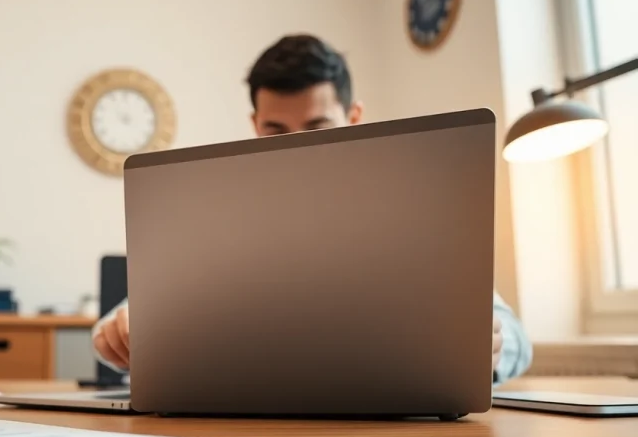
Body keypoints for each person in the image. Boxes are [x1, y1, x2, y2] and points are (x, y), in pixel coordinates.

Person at [92, 33, 534, 385]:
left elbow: (515, 338)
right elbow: (122, 323)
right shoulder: (220, 217)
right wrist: (117, 333)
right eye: (275, 129)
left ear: (354, 117)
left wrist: (490, 343)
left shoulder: (408, 213)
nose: (295, 146)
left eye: (317, 127)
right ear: (254, 126)